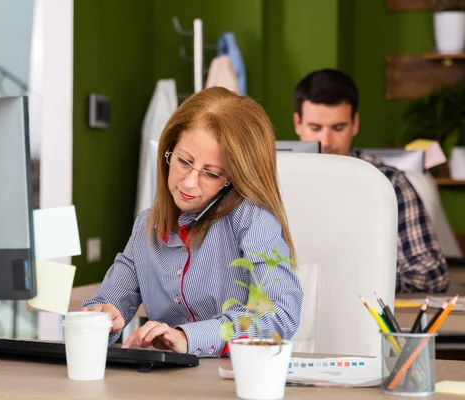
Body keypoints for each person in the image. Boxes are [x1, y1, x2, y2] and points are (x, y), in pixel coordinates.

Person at [81, 87, 303, 357]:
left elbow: (281, 313)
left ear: (233, 178)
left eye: (210, 174)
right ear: (169, 150)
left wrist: (189, 338)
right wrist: (104, 317)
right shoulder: (145, 227)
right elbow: (111, 300)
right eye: (184, 161)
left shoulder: (251, 218)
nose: (188, 183)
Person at [292, 68, 449, 293]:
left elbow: (432, 274)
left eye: (338, 128)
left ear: (355, 123)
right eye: (315, 128)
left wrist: (359, 280)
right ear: (298, 123)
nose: (325, 141)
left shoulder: (388, 181)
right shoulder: (272, 178)